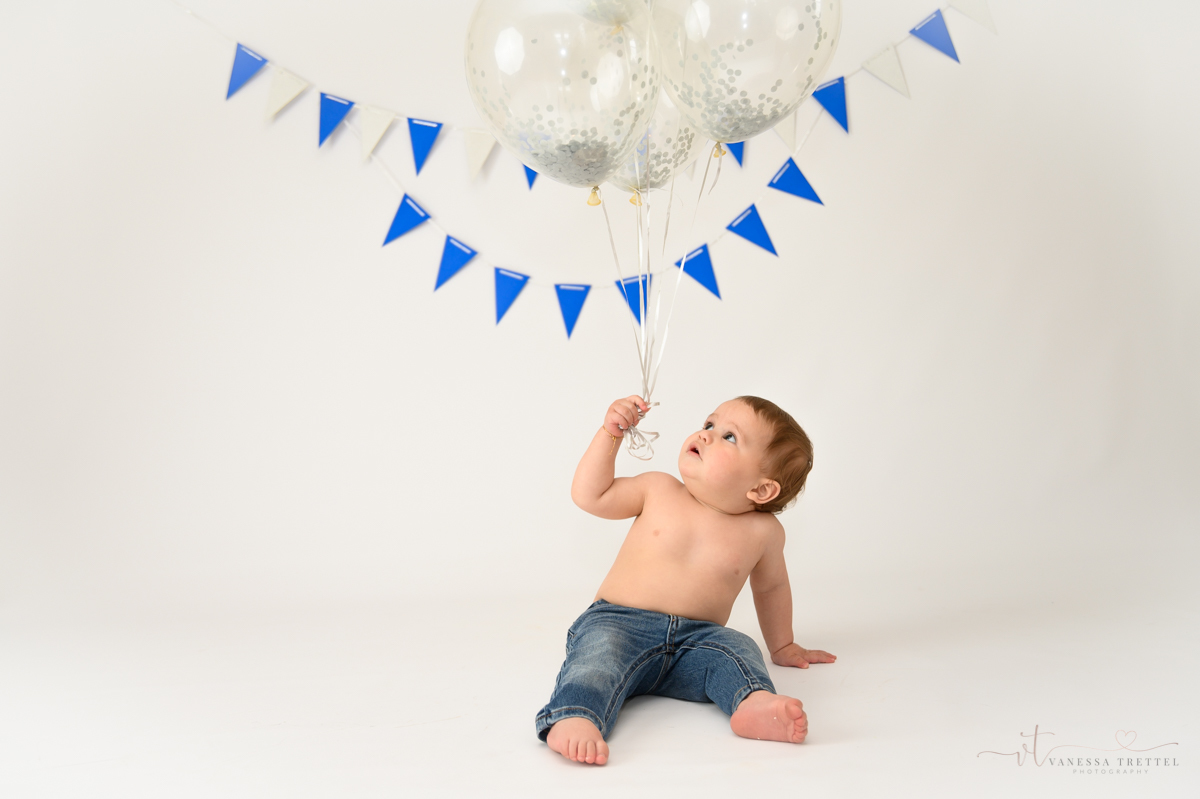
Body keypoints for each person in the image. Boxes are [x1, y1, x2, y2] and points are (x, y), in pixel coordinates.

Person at [535, 395, 837, 765]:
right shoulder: (658, 489)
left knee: (737, 649)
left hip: (696, 642)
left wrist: (783, 644)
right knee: (598, 658)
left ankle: (753, 702)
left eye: (729, 437)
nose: (706, 434)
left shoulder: (764, 533)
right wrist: (609, 434)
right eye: (709, 424)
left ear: (761, 490)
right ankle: (575, 715)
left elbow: (772, 588)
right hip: (620, 622)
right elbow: (591, 495)